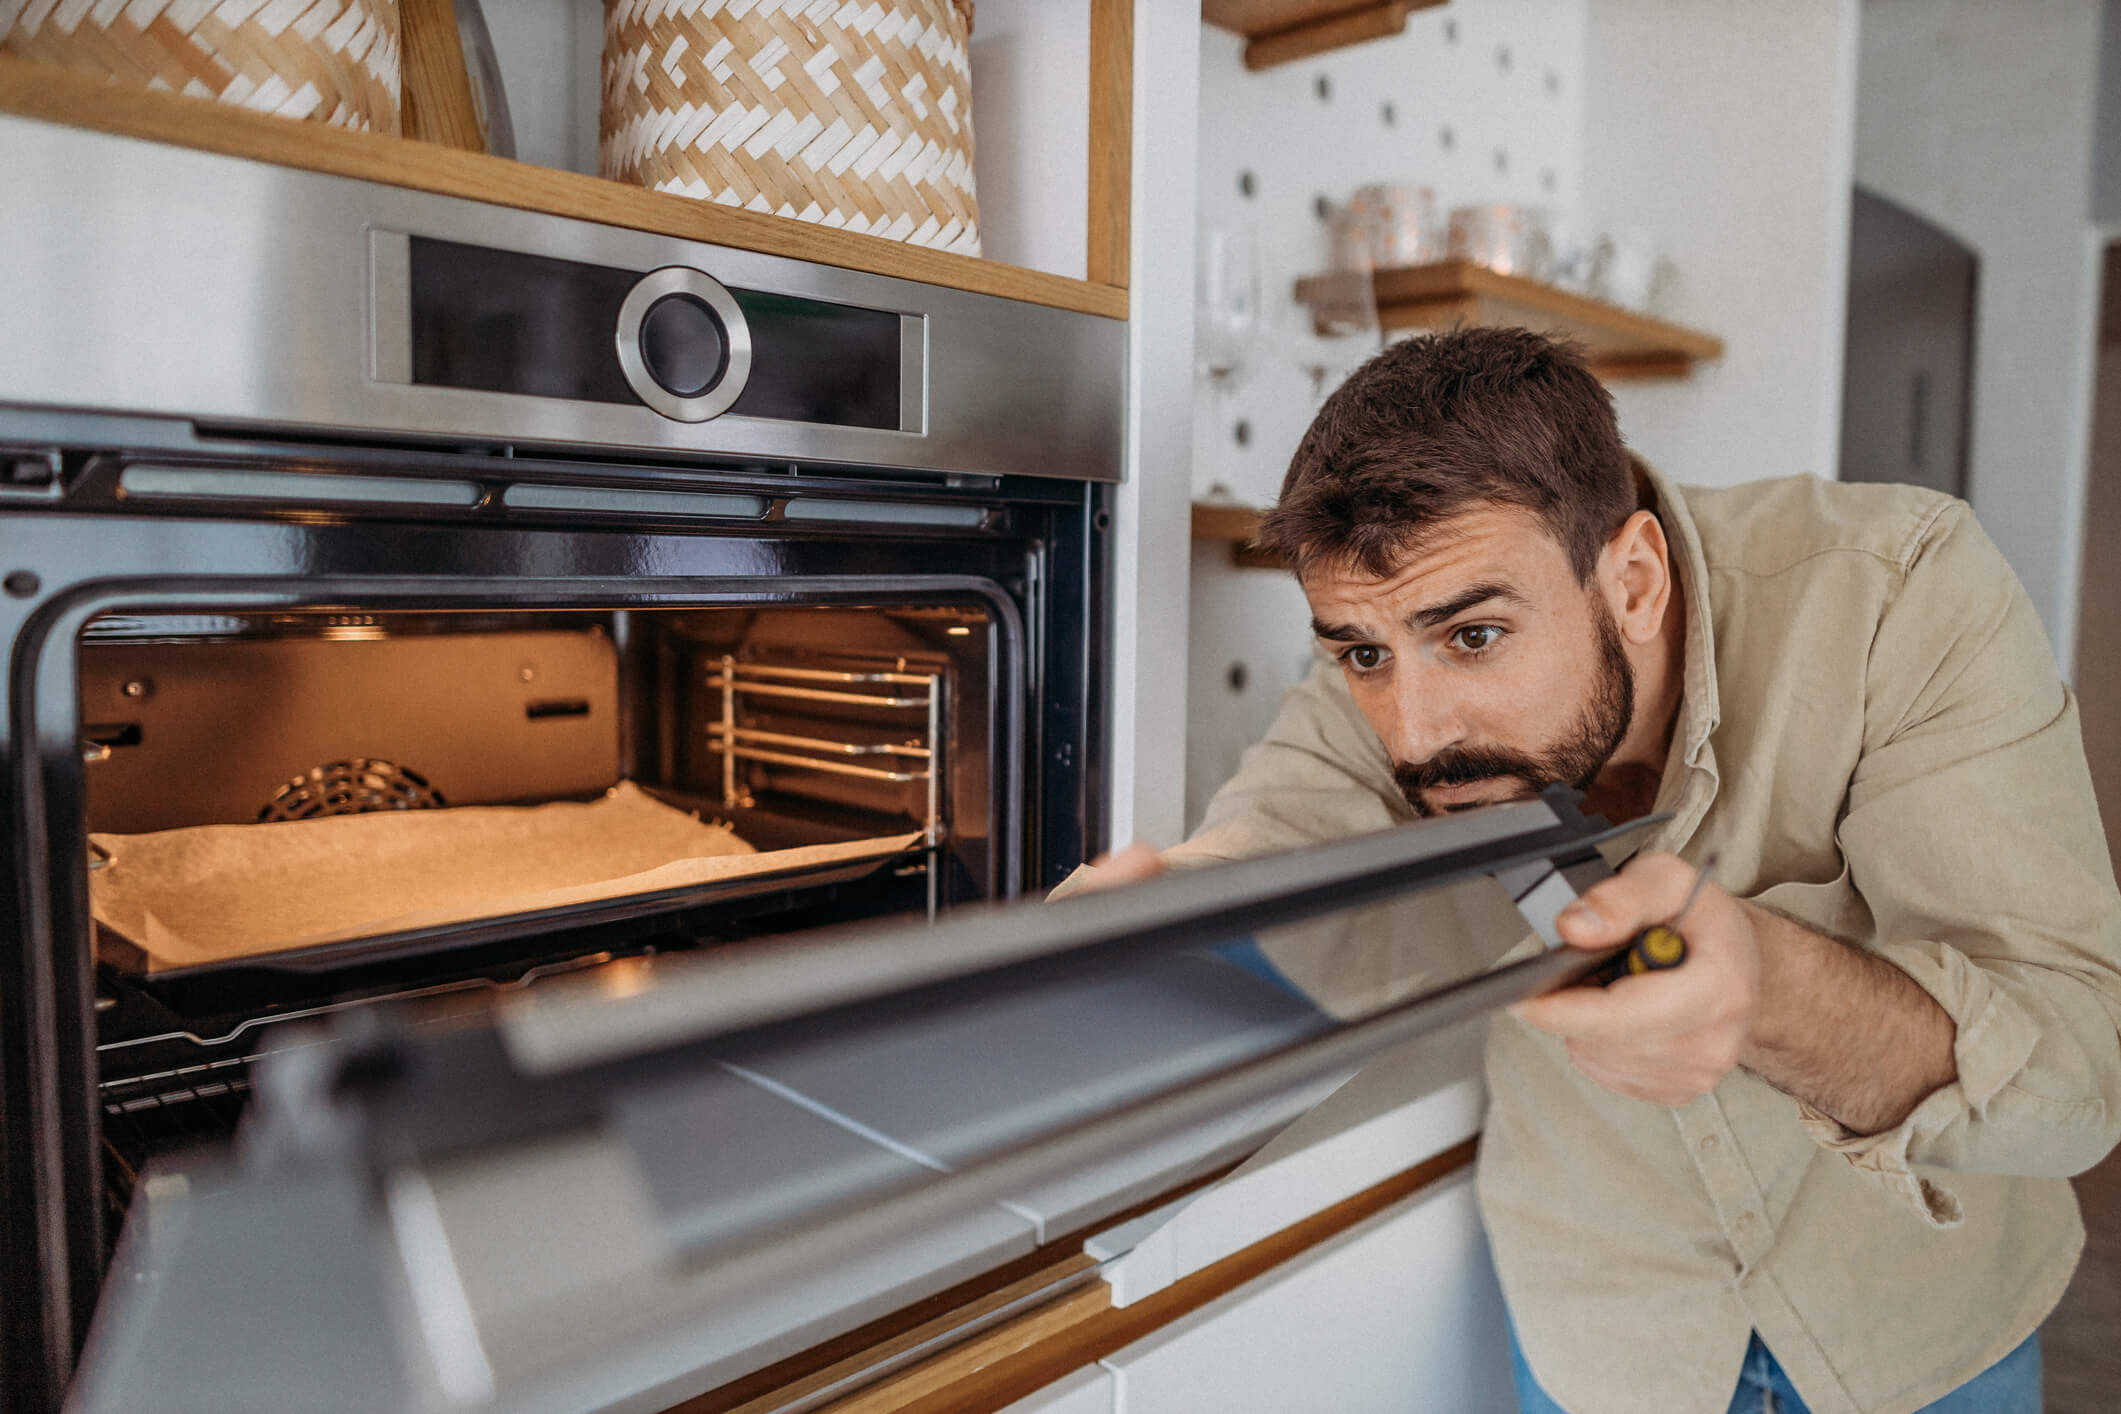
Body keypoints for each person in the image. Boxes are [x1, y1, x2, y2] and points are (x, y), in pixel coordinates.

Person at [1070, 327, 2121, 1413]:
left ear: (1635, 580)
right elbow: (1275, 832)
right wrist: (1165, 917)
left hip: (1923, 1329)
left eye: (1473, 635)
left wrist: (1769, 983)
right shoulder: (1386, 684)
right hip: (1609, 1345)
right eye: (1363, 653)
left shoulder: (1899, 590)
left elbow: (2080, 1073)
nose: (1417, 734)